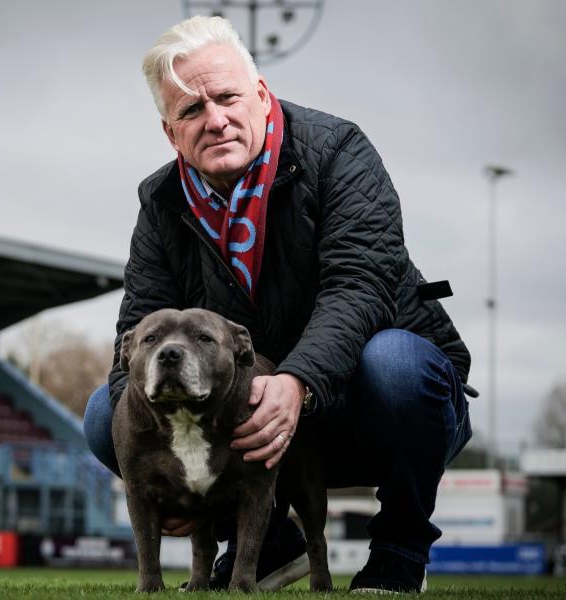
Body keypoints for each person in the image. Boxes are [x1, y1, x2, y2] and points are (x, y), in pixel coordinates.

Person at [83, 15, 474, 593]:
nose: (213, 119)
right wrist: (160, 464)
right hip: (249, 426)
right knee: (104, 416)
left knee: (395, 363)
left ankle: (399, 549)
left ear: (261, 96)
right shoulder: (161, 200)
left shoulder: (338, 150)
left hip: (368, 410)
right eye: (190, 110)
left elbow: (358, 286)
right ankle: (266, 544)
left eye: (226, 97)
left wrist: (297, 382)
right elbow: (136, 336)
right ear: (170, 132)